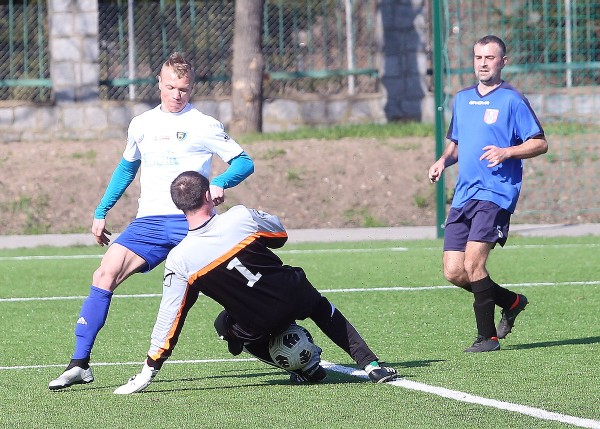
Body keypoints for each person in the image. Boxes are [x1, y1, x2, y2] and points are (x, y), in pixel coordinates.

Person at [49, 52, 255, 390]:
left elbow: (244, 162)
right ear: (158, 83)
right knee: (104, 273)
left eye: (183, 89)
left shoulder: (204, 124)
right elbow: (127, 169)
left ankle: (270, 339)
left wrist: (220, 182)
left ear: (191, 88)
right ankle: (79, 363)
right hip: (149, 223)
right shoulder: (141, 124)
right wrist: (101, 211)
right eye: (171, 87)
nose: (177, 95)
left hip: (194, 223)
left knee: (240, 289)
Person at [113, 171, 397, 394]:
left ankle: (306, 367)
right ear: (208, 195)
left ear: (179, 206)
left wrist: (149, 369)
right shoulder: (240, 216)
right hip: (292, 291)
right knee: (322, 309)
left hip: (258, 320)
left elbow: (171, 318)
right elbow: (280, 236)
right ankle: (371, 365)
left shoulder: (179, 260)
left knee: (224, 325)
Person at [427, 35, 548, 353]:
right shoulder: (462, 99)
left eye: (490, 58)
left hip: (496, 194)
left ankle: (487, 338)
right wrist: (442, 161)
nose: (483, 63)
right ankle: (511, 301)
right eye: (478, 57)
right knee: (454, 272)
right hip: (464, 195)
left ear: (503, 62)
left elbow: (540, 142)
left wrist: (507, 152)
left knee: (473, 264)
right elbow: (457, 143)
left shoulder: (512, 100)